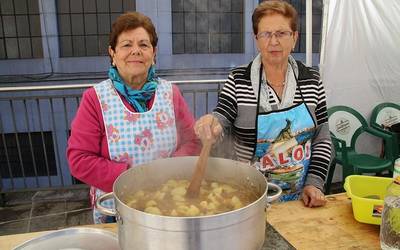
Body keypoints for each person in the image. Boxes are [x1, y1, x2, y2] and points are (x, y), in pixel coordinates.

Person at [195, 0, 331, 208]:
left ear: (294, 37)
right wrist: (211, 124)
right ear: (256, 39)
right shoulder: (238, 79)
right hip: (247, 198)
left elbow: (322, 138)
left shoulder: (312, 80)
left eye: (281, 33)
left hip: (300, 201)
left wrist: (315, 183)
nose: (273, 41)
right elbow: (222, 115)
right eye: (266, 34)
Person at [67, 12, 200, 223]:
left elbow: (192, 141)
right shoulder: (95, 99)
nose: (136, 51)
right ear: (113, 53)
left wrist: (169, 170)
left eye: (144, 45)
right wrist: (132, 178)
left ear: (154, 53)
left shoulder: (171, 93)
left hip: (170, 205)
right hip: (117, 209)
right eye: (127, 45)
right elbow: (79, 159)